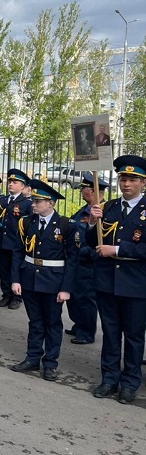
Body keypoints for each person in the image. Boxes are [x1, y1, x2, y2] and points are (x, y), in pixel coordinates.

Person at [87, 155, 146, 404]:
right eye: (123, 178)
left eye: (132, 179)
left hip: (135, 284)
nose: (126, 184)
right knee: (111, 333)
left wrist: (119, 251)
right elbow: (94, 244)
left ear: (144, 182)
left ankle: (130, 382)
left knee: (133, 336)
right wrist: (92, 222)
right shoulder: (109, 207)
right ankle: (109, 378)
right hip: (107, 281)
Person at [9, 180, 78, 381]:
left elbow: (73, 260)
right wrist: (15, 279)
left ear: (51, 203)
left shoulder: (66, 226)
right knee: (35, 322)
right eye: (33, 200)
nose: (33, 204)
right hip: (30, 277)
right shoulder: (27, 222)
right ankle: (32, 358)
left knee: (53, 323)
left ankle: (50, 363)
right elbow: (17, 252)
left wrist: (66, 289)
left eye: (38, 201)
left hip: (53, 281)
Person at [65, 173, 108, 345]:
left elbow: (99, 240)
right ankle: (79, 324)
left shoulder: (103, 213)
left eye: (84, 189)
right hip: (76, 261)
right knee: (75, 296)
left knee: (85, 298)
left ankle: (87, 332)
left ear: (92, 191)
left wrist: (85, 252)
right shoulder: (83, 211)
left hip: (89, 263)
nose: (82, 191)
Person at [0, 169, 32, 310]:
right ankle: (6, 294)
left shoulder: (26, 203)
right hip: (1, 241)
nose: (11, 184)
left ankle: (17, 297)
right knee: (3, 269)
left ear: (22, 186)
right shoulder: (3, 200)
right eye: (10, 182)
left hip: (16, 242)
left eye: (15, 182)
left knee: (15, 269)